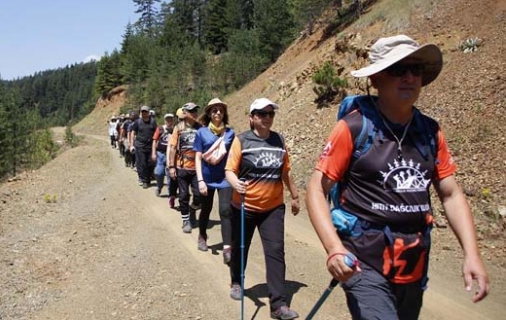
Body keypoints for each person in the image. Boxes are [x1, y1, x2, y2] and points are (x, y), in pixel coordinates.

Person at [305, 35, 489, 320]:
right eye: (397, 69)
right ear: (376, 79)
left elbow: (451, 194)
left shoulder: (430, 131)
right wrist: (333, 249)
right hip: (362, 260)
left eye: (416, 70)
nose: (409, 77)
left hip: (412, 262)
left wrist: (472, 254)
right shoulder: (354, 128)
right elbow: (317, 188)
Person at [225, 98, 301, 319]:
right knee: (241, 247)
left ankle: (278, 305)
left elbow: (285, 172)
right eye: (261, 113)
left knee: (275, 252)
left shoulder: (279, 140)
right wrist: (235, 182)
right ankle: (237, 282)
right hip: (244, 206)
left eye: (270, 114)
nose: (267, 117)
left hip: (273, 208)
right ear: (252, 117)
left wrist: (295, 196)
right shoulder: (242, 141)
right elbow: (230, 169)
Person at [193, 98, 235, 263]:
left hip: (225, 178)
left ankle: (227, 248)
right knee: (206, 209)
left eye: (221, 110)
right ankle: (202, 235)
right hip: (207, 179)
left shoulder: (230, 133)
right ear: (209, 113)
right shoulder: (201, 133)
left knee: (226, 211)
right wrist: (200, 181)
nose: (218, 113)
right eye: (214, 110)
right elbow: (197, 158)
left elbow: (234, 156)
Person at [167, 102, 202, 233]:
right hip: (181, 167)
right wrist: (171, 166)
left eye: (196, 111)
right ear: (185, 113)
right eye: (192, 111)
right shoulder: (179, 128)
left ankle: (193, 209)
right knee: (183, 195)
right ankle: (186, 220)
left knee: (199, 195)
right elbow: (172, 147)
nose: (195, 114)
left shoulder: (201, 128)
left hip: (197, 168)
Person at [129, 106, 157, 188]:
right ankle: (145, 180)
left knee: (151, 163)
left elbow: (156, 133)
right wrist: (131, 145)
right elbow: (132, 133)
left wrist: (157, 142)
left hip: (150, 145)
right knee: (142, 163)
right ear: (141, 112)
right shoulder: (137, 122)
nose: (144, 113)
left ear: (148, 112)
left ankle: (147, 177)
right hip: (140, 145)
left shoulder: (153, 122)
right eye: (142, 112)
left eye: (145, 111)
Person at [152, 113, 178, 199]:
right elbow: (154, 141)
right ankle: (159, 187)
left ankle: (171, 194)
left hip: (171, 155)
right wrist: (153, 153)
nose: (169, 121)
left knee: (170, 175)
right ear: (164, 120)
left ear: (173, 120)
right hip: (160, 154)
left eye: (170, 119)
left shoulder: (176, 129)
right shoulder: (160, 129)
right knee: (159, 173)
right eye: (167, 120)